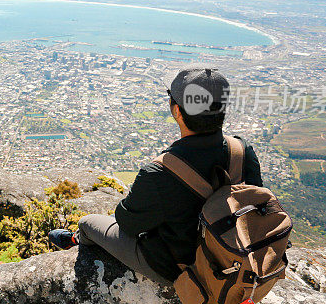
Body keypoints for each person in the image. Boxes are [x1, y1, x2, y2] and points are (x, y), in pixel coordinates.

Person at [48, 64, 263, 286]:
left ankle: (73, 241)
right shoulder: (241, 151)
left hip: (181, 269)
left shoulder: (160, 172)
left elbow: (128, 223)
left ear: (177, 111)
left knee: (87, 223)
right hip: (236, 260)